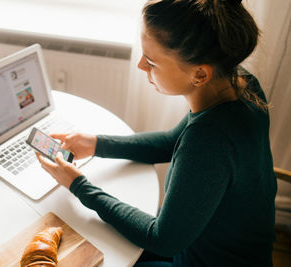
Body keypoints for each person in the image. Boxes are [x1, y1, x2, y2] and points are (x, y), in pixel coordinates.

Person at [36, 0, 277, 266]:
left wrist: (78, 186)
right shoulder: (240, 85)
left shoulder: (209, 140)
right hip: (215, 239)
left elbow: (163, 239)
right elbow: (171, 142)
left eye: (151, 61)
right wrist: (96, 144)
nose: (140, 65)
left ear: (199, 74)